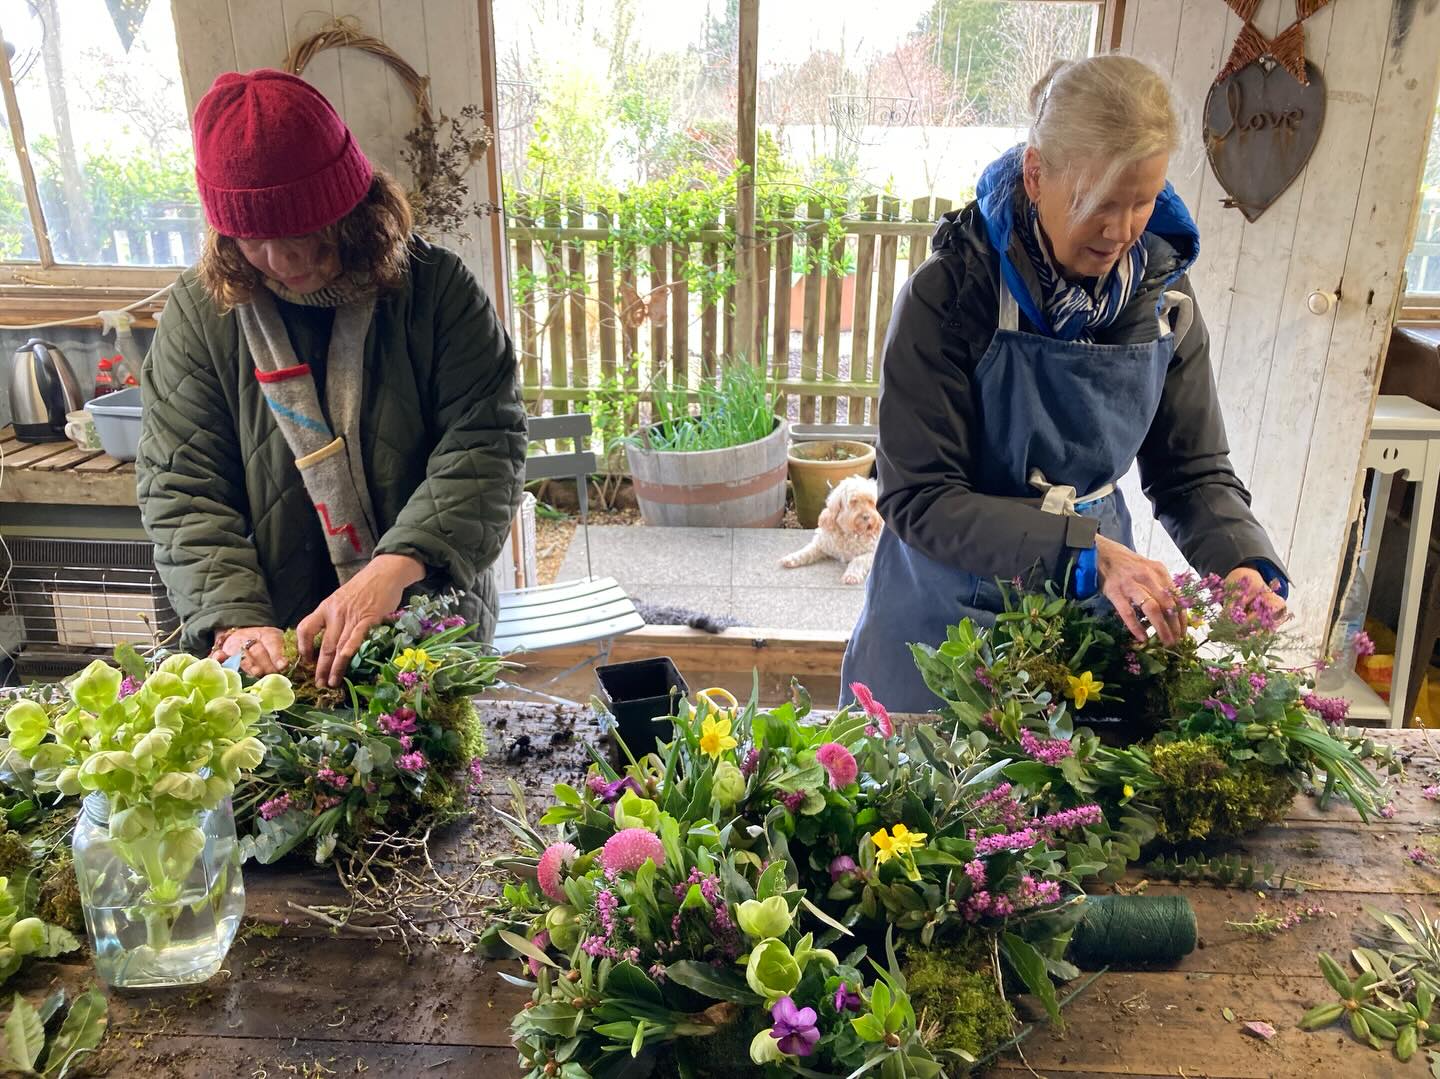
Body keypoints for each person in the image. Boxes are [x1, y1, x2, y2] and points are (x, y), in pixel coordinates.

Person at [841, 55, 1288, 713]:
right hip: (942, 623)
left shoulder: (1164, 301)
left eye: (1142, 202)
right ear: (1036, 173)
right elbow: (919, 499)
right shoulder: (949, 295)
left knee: (1084, 794)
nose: (1120, 231)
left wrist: (1243, 560)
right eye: (1098, 203)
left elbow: (1191, 472)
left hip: (1094, 614)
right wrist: (1082, 549)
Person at [138, 69, 526, 687]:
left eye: (304, 232)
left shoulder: (438, 292)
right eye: (256, 240)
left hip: (421, 614)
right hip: (271, 638)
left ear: (354, 207)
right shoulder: (201, 314)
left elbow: (485, 447)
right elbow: (182, 484)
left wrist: (393, 568)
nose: (284, 261)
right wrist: (236, 618)